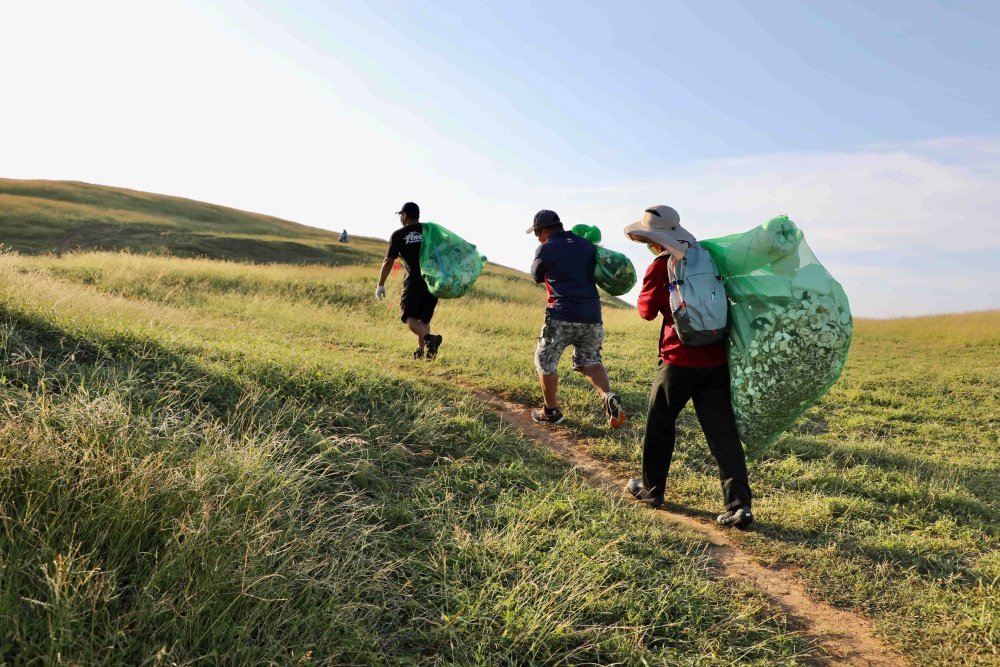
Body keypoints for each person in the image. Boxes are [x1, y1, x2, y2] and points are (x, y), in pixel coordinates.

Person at [622, 205, 753, 527]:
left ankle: (652, 490)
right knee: (723, 433)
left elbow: (646, 312)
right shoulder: (708, 257)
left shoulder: (661, 266)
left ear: (655, 240)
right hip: (716, 357)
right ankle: (740, 505)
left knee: (660, 423)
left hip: (677, 360)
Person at [527, 209, 625, 428]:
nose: (537, 239)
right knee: (590, 360)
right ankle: (608, 395)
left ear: (544, 231)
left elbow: (536, 276)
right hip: (592, 316)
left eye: (537, 234)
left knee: (545, 361)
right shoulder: (586, 245)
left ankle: (550, 411)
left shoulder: (546, 248)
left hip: (561, 314)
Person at [375, 202, 443, 359]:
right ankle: (421, 353)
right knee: (424, 319)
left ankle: (429, 339)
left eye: (401, 215)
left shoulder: (399, 235)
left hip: (413, 282)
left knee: (409, 317)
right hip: (432, 282)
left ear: (404, 215)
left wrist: (380, 284)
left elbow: (388, 261)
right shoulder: (430, 232)